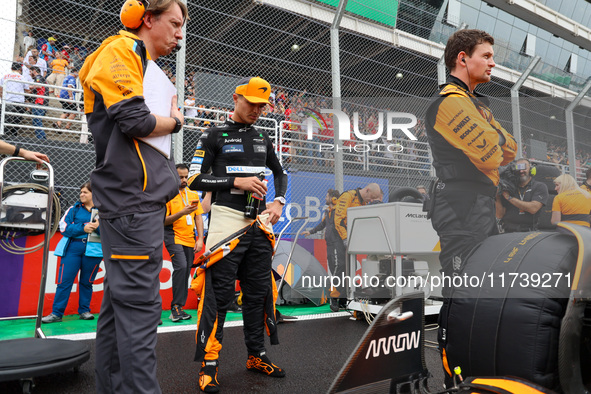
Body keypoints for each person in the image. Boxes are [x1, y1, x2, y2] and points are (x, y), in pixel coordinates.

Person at [79, 0, 188, 392]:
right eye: (174, 24)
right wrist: (177, 121)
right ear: (146, 18)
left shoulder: (144, 63)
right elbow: (135, 120)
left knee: (117, 310)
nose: (179, 34)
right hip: (133, 203)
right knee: (140, 314)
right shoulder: (121, 49)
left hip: (136, 203)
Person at [423, 29, 517, 387]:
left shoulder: (475, 103)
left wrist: (490, 130)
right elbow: (493, 153)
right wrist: (492, 135)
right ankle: (454, 376)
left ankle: (476, 371)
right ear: (463, 58)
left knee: (484, 289)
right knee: (463, 292)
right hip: (459, 208)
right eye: (487, 55)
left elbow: (511, 148)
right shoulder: (449, 101)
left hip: (476, 206)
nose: (493, 62)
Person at [187, 76, 288, 393]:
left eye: (262, 106)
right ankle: (209, 366)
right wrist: (236, 183)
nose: (258, 110)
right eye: (253, 104)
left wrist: (279, 201)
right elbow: (193, 180)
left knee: (259, 294)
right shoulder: (212, 135)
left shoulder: (263, 136)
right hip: (225, 223)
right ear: (236, 98)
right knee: (218, 297)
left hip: (258, 224)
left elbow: (280, 172)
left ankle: (256, 355)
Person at [42, 181, 102, 323]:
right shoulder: (73, 209)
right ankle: (56, 313)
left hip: (94, 251)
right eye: (81, 192)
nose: (81, 194)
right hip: (72, 249)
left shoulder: (105, 211)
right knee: (64, 282)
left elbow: (110, 232)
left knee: (87, 282)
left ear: (95, 194)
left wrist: (98, 226)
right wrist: (83, 228)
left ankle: (84, 311)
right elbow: (64, 228)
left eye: (85, 192)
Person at [331, 184, 383, 312]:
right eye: (372, 198)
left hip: (350, 236)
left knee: (351, 267)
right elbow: (338, 220)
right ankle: (333, 297)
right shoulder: (348, 196)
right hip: (338, 235)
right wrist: (344, 238)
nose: (371, 201)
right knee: (341, 265)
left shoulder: (362, 202)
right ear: (367, 190)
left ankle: (344, 298)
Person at [164, 163, 204, 322]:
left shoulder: (193, 194)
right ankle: (175, 308)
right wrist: (182, 212)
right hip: (173, 236)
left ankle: (178, 307)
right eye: (180, 177)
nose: (184, 180)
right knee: (180, 267)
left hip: (189, 238)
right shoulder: (167, 195)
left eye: (186, 176)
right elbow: (163, 221)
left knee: (185, 270)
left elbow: (198, 217)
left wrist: (200, 238)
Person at [301, 188, 341, 295]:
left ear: (333, 198)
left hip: (338, 244)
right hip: (329, 244)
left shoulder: (339, 211)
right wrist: (310, 232)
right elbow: (322, 225)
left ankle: (339, 291)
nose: (325, 198)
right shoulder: (327, 211)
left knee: (338, 268)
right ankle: (337, 290)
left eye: (327, 196)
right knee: (332, 267)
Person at [496, 158, 548, 232]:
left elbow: (533, 208)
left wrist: (510, 198)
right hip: (508, 232)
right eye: (518, 168)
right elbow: (499, 215)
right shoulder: (508, 189)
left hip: (529, 233)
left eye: (524, 168)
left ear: (531, 169)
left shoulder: (539, 186)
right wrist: (497, 196)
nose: (521, 171)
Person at [0, 62, 30, 137]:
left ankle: (5, 135)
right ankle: (14, 135)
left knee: (6, 119)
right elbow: (27, 90)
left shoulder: (5, 77)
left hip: (8, 101)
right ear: (20, 69)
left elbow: (1, 90)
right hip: (19, 101)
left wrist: (2, 99)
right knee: (16, 120)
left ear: (11, 68)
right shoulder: (22, 77)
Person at [29, 66, 49, 140]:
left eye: (30, 72)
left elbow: (38, 85)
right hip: (40, 102)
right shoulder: (40, 78)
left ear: (34, 71)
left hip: (39, 102)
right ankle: (42, 138)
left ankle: (42, 139)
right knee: (36, 121)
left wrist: (30, 86)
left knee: (37, 121)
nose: (29, 74)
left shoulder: (38, 77)